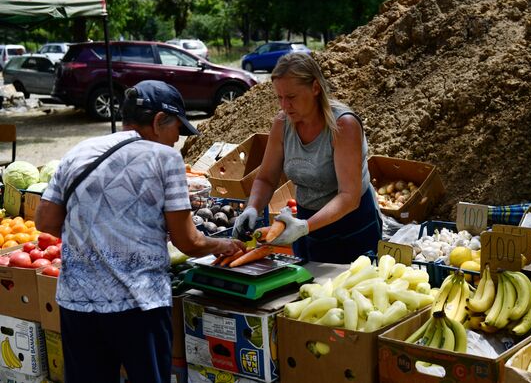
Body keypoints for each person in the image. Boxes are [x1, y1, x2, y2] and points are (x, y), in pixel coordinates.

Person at [35, 80, 244, 383]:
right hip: (139, 305)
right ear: (159, 121)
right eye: (177, 132)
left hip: (77, 306)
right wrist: (223, 245)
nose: (176, 141)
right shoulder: (165, 159)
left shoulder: (79, 151)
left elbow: (46, 221)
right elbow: (189, 241)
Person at [233, 53, 382, 264]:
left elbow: (349, 196)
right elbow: (266, 178)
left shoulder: (343, 125)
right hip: (306, 225)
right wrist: (252, 207)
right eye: (279, 97)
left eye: (291, 97)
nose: (284, 105)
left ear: (315, 88)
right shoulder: (282, 124)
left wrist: (304, 226)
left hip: (351, 227)